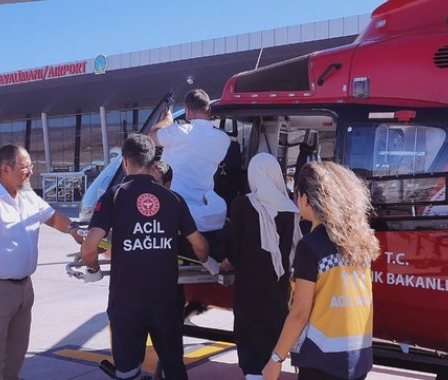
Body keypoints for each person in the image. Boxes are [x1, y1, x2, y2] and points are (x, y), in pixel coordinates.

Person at [80, 134, 211, 380]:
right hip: (166, 301)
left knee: (128, 371)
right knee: (173, 367)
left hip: (127, 302)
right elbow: (200, 246)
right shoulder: (173, 199)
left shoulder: (114, 197)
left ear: (125, 161)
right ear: (153, 164)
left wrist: (93, 268)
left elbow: (89, 248)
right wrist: (208, 263)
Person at [0, 144, 83, 380]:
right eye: (25, 167)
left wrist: (74, 229)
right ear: (5, 169)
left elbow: (52, 218)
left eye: (31, 166)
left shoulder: (27, 195)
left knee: (14, 356)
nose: (31, 172)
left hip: (23, 289)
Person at [262, 161, 381, 380]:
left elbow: (299, 313)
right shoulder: (360, 242)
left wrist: (275, 359)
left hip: (321, 360)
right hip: (358, 358)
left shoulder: (311, 246)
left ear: (306, 198)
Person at [226, 153, 303, 379]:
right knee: (272, 334)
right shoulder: (290, 209)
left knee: (248, 335)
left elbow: (234, 248)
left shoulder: (241, 205)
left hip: (248, 286)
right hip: (277, 288)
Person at [148, 88, 230, 265]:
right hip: (207, 220)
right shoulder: (223, 139)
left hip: (175, 219)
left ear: (187, 110)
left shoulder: (179, 131)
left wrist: (167, 120)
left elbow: (151, 137)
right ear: (208, 109)